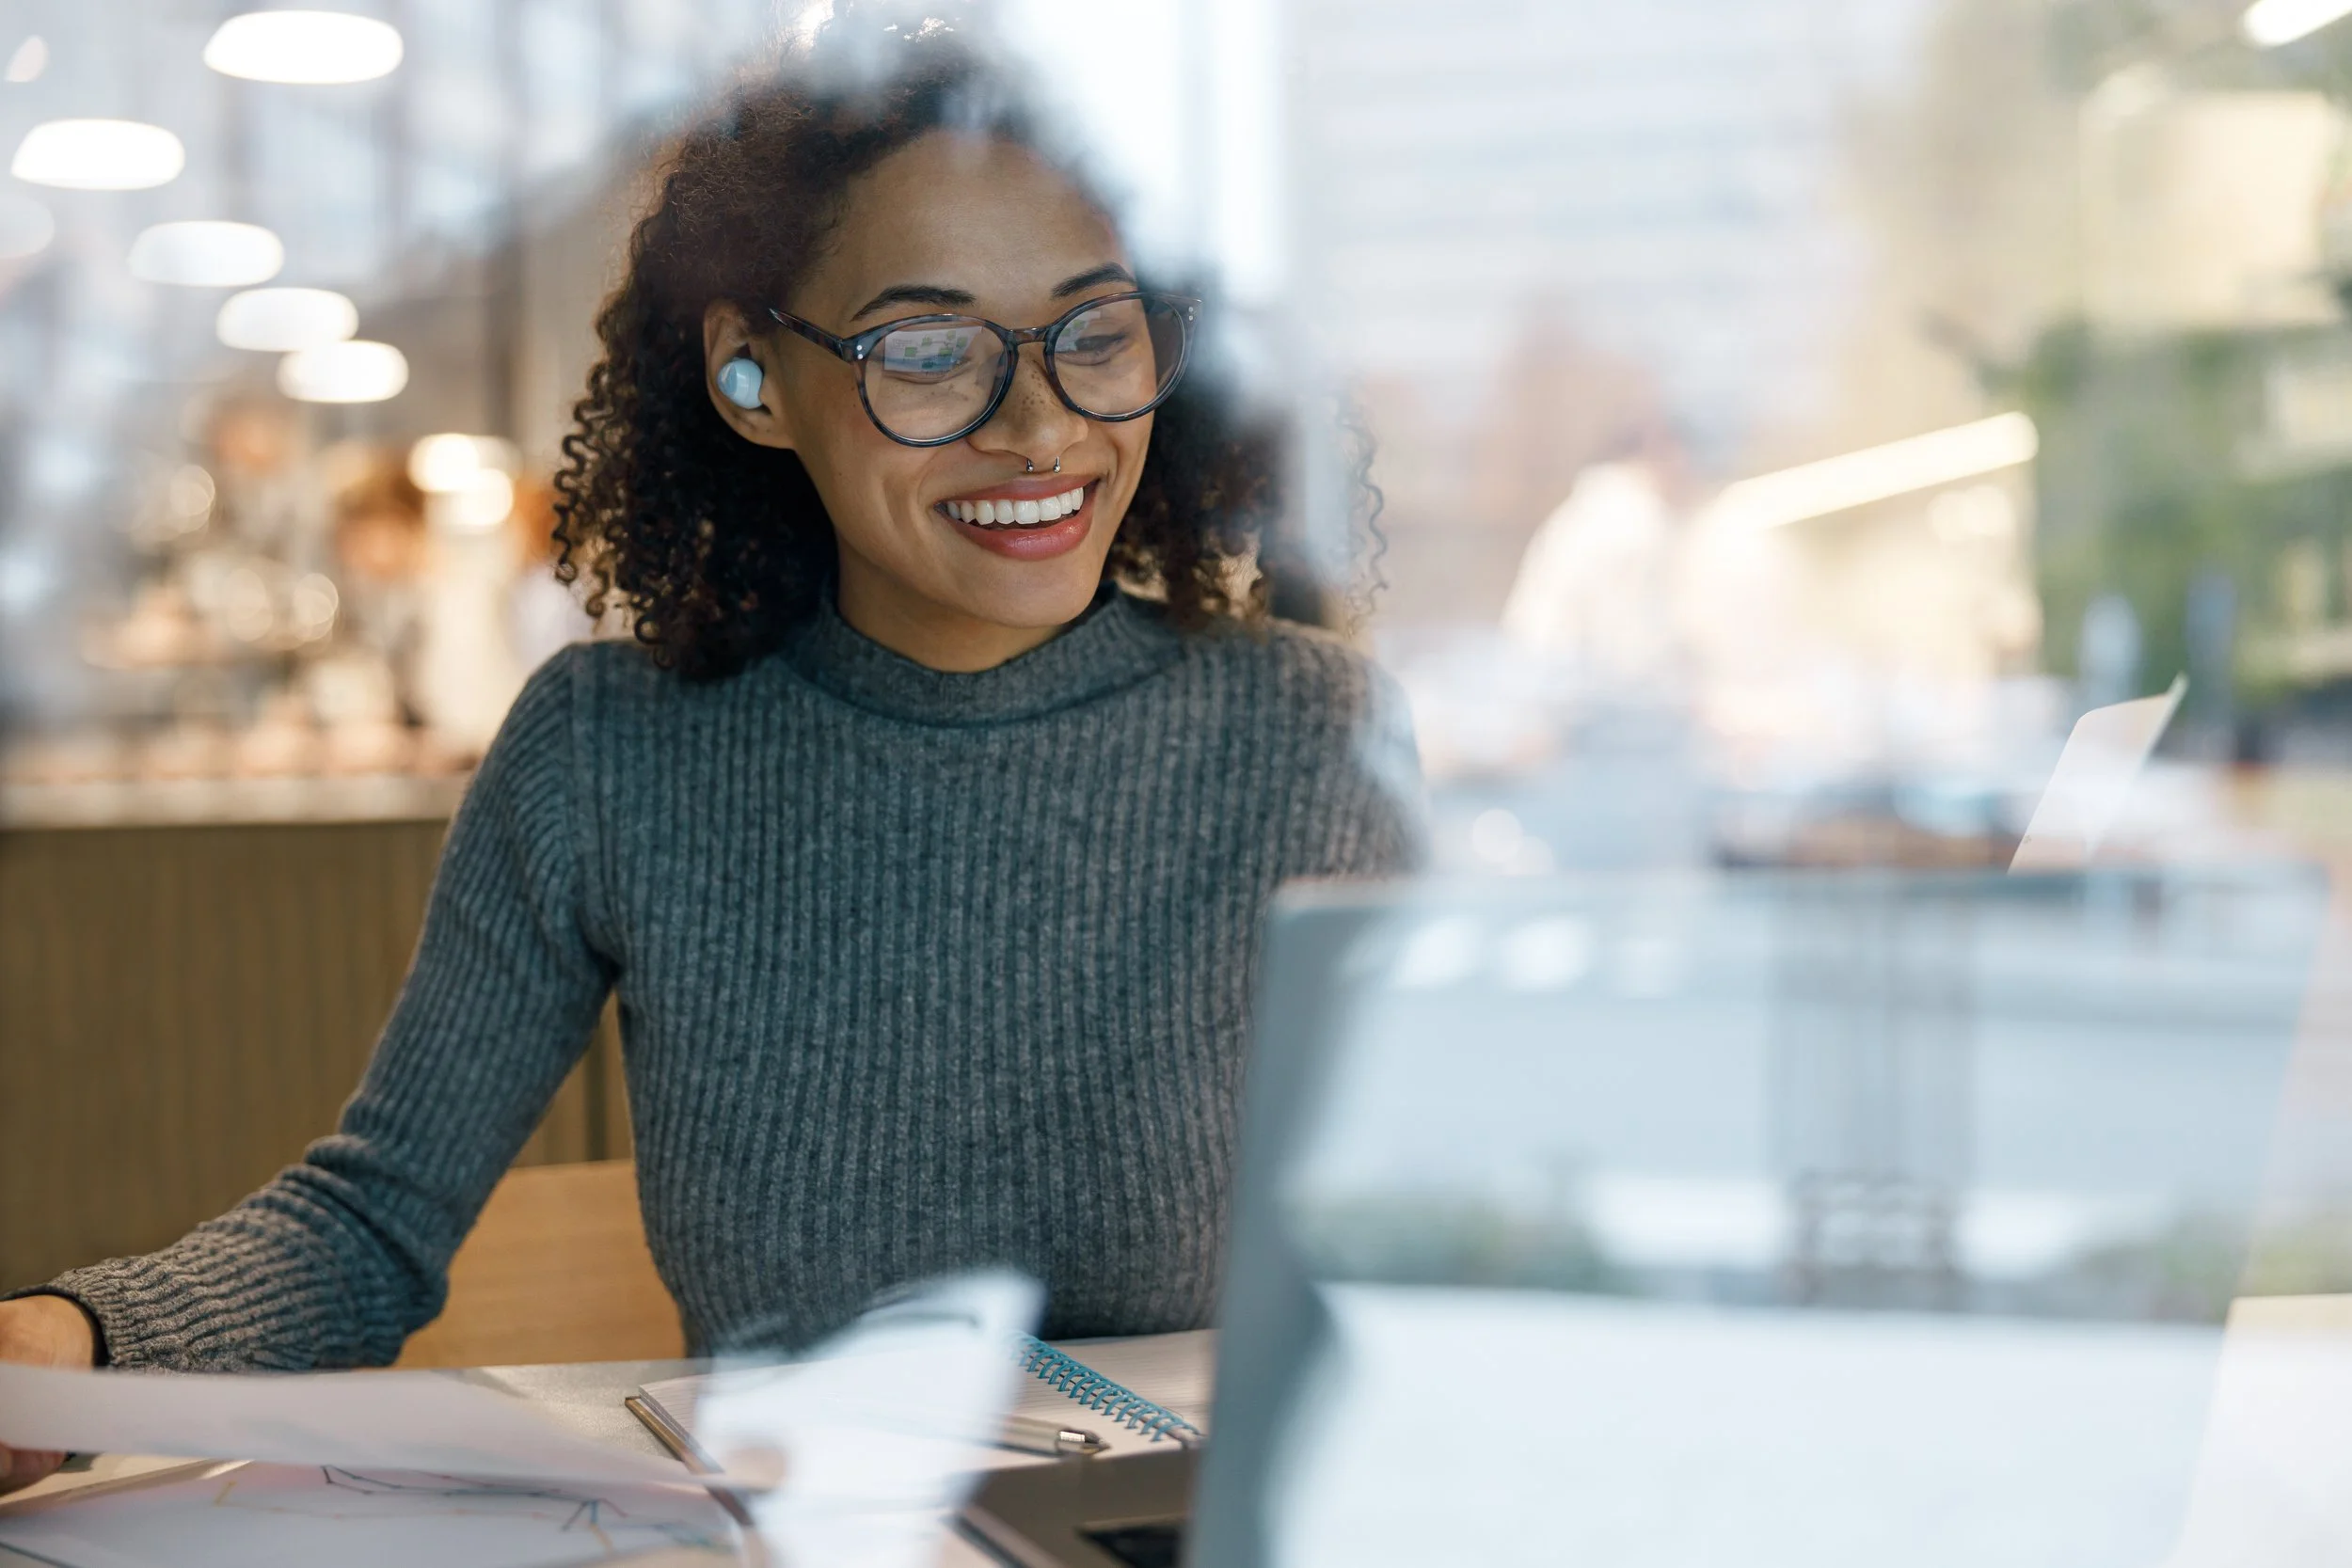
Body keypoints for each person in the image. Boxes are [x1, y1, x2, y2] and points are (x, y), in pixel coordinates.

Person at [0, 14, 1419, 1491]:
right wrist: (61, 1346)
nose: (1042, 427)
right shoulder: (609, 752)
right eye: (929, 350)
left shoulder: (1304, 736)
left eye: (1095, 332)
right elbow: (368, 1227)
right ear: (753, 377)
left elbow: (1427, 1243)